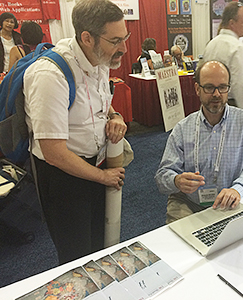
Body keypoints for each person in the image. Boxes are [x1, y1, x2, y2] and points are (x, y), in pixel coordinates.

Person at [23, 0, 129, 264]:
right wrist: (102, 178)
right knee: (76, 258)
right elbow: (54, 153)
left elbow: (100, 100)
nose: (124, 48)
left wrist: (114, 115)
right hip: (63, 177)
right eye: (116, 40)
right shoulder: (50, 74)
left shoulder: (100, 58)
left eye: (125, 37)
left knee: (100, 242)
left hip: (95, 165)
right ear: (87, 38)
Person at [155, 61, 243, 224]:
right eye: (209, 87)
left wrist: (238, 189)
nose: (216, 94)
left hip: (232, 202)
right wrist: (176, 180)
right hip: (189, 204)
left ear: (228, 88)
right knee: (184, 246)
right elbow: (162, 176)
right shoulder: (182, 128)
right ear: (197, 89)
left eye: (222, 87)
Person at [201, 1, 243, 110]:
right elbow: (240, 86)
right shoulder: (237, 47)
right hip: (231, 105)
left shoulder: (211, 44)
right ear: (232, 23)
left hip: (210, 106)